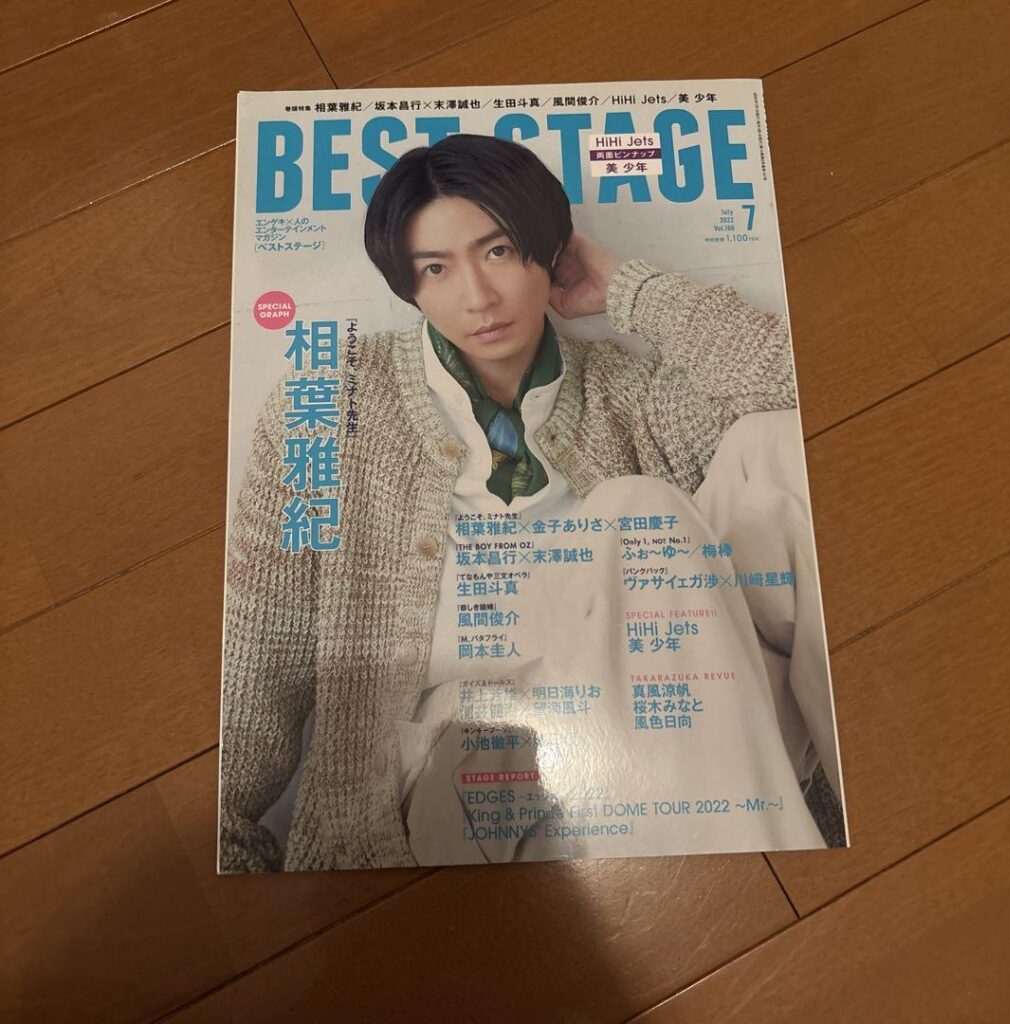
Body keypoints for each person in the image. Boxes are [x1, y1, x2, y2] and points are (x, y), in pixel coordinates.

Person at [219, 134, 839, 873]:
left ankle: (846, 800)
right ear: (409, 285)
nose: (478, 297)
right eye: (436, 268)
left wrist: (630, 290)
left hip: (665, 724)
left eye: (500, 251)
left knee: (768, 450)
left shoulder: (627, 395)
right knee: (636, 510)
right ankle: (768, 881)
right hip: (482, 774)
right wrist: (233, 858)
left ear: (547, 251)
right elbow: (262, 659)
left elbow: (814, 397)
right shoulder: (329, 409)